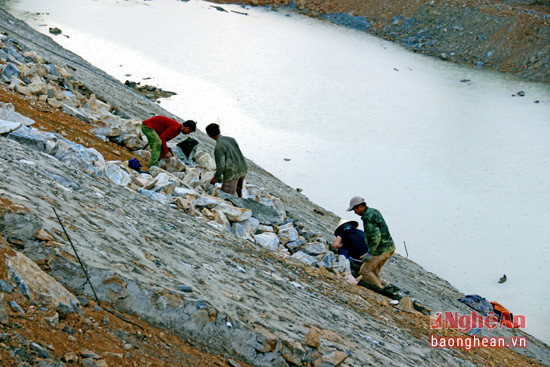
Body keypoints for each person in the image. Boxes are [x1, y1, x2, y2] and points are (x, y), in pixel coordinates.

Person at [347, 196, 395, 290]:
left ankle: (380, 290)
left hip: (380, 250)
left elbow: (376, 236)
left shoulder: (368, 217)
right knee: (374, 271)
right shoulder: (374, 211)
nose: (355, 212)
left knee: (364, 271)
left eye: (355, 210)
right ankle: (380, 289)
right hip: (389, 247)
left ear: (360, 207)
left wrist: (370, 253)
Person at [205, 123, 248, 197]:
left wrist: (215, 177)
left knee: (227, 196)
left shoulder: (219, 146)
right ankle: (241, 199)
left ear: (209, 135)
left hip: (232, 173)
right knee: (238, 188)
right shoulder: (231, 139)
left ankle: (235, 206)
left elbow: (221, 166)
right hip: (242, 168)